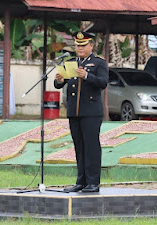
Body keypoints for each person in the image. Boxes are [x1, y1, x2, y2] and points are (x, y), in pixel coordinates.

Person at [54, 31, 109, 192]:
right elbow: (60, 84)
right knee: (79, 146)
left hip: (91, 112)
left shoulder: (98, 63)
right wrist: (59, 80)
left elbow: (103, 82)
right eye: (78, 46)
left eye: (83, 45)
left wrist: (86, 76)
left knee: (91, 147)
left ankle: (93, 182)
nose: (80, 48)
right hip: (74, 112)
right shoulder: (71, 62)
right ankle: (81, 181)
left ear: (91, 46)